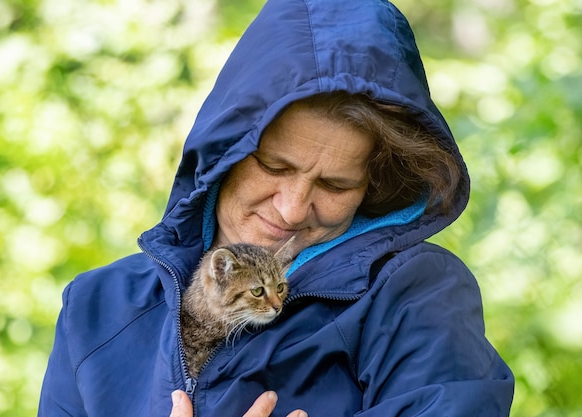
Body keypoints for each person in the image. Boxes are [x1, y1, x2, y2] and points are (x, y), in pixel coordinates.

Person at [38, 0, 515, 416]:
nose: (291, 210)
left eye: (334, 184)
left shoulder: (417, 294)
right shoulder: (97, 307)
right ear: (226, 152)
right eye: (274, 166)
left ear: (372, 188)